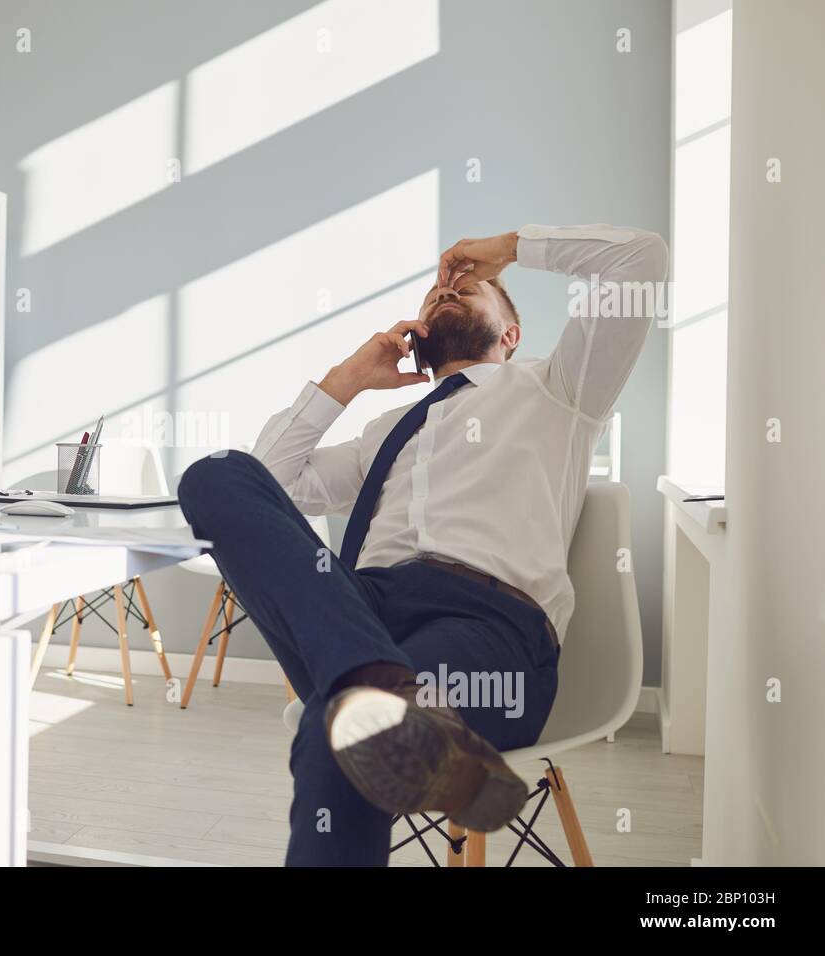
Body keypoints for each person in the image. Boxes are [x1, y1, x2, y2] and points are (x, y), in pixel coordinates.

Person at [177, 224, 668, 866]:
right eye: (438, 289)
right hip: (361, 612)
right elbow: (269, 488)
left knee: (340, 733)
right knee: (213, 476)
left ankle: (376, 697)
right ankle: (381, 688)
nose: (446, 289)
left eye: (469, 287)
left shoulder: (561, 391)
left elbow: (640, 260)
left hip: (484, 626)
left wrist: (508, 251)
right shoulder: (383, 432)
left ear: (510, 335)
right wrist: (346, 380)